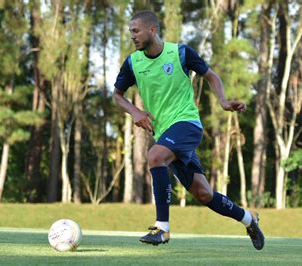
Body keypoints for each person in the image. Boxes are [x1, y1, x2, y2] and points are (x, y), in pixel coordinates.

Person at [112, 10, 264, 250]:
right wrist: (135, 112)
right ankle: (249, 219)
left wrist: (223, 102)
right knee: (204, 194)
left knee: (154, 156)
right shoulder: (133, 63)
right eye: (130, 31)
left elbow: (211, 76)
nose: (132, 36)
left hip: (187, 124)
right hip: (165, 135)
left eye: (136, 30)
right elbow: (117, 96)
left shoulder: (180, 53)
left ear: (152, 30)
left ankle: (162, 228)